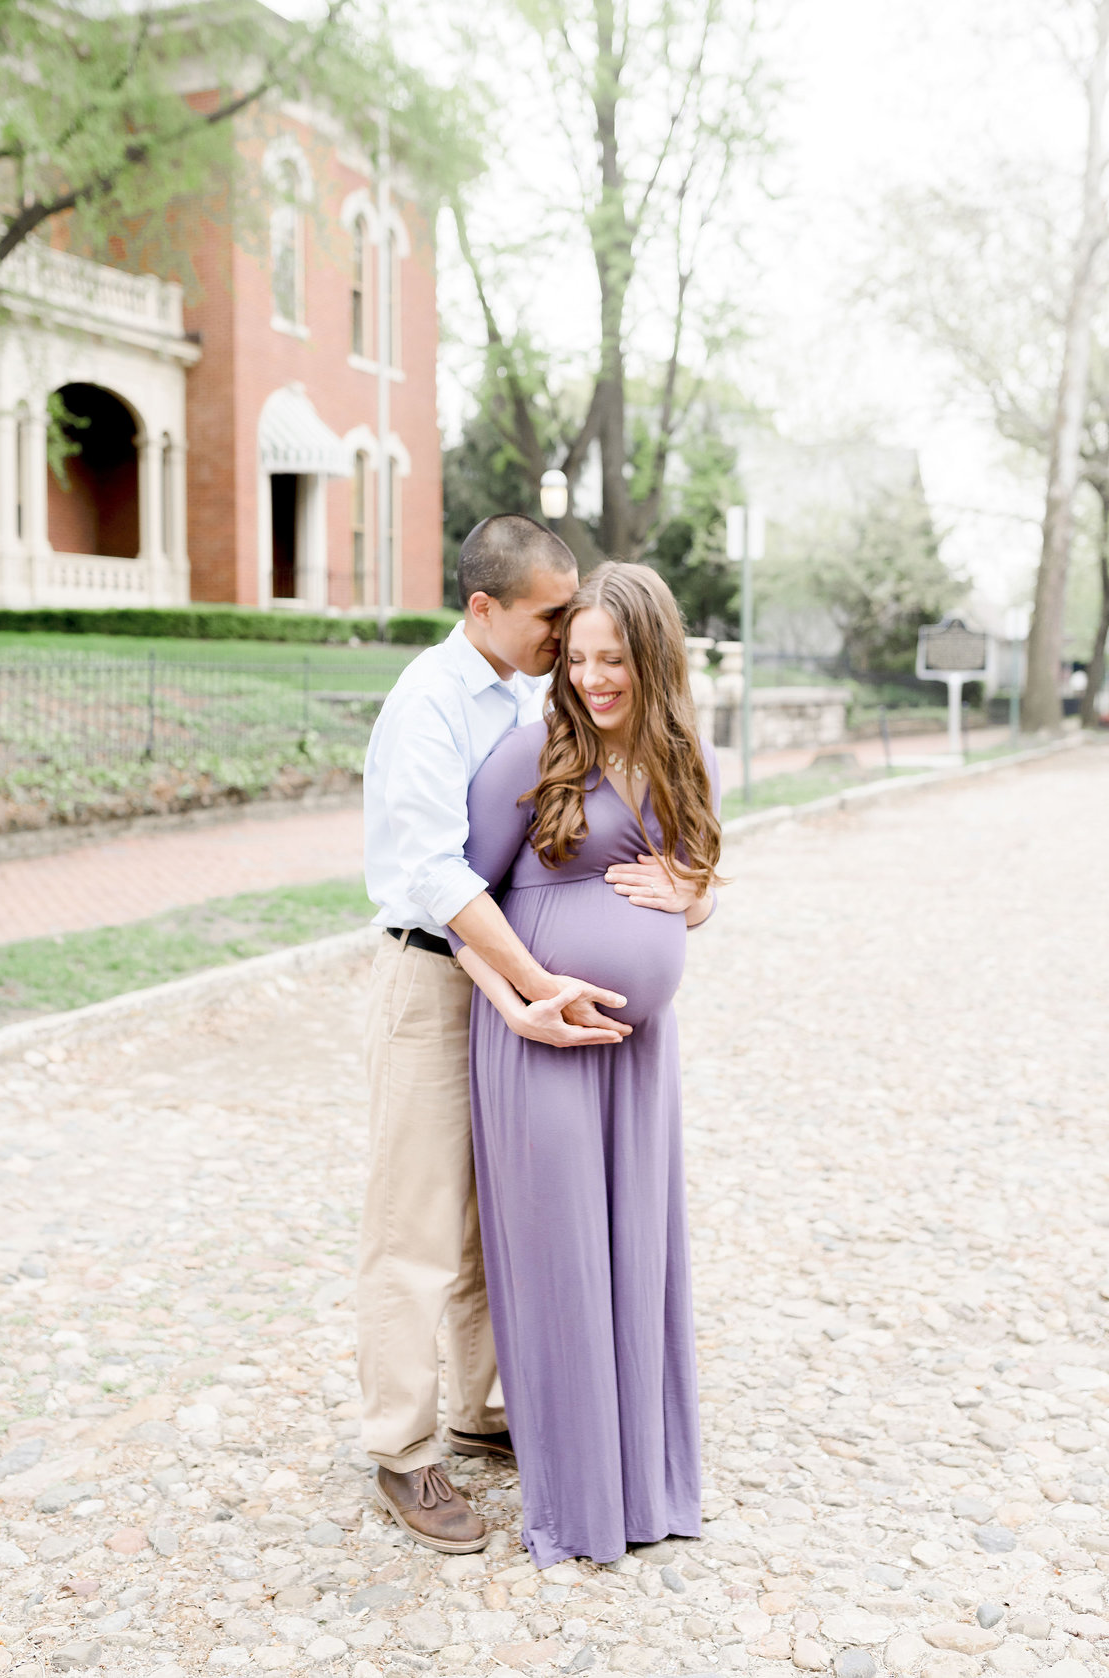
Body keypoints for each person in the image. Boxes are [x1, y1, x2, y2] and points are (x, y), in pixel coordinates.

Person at [358, 515, 634, 1555]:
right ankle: (401, 1449)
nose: (567, 633)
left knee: (491, 1217)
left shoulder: (530, 687)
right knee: (415, 1226)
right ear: (484, 607)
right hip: (434, 981)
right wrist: (533, 977)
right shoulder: (429, 702)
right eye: (550, 614)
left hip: (506, 986)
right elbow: (437, 872)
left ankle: (479, 1409)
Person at [449, 561, 723, 1566]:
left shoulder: (687, 754)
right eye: (578, 658)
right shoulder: (529, 755)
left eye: (615, 658)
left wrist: (689, 898)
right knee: (564, 1255)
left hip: (642, 1053)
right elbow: (455, 912)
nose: (595, 677)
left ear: (654, 656)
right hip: (542, 1045)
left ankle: (646, 1483)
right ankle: (577, 1502)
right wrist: (521, 1006)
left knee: (637, 1254)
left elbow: (700, 888)